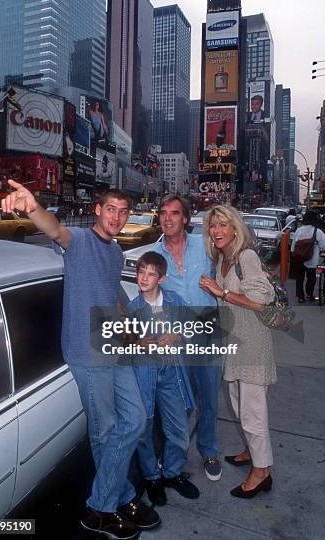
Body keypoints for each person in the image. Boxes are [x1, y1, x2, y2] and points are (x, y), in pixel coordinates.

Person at [2, 180, 160, 540]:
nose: (117, 217)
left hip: (112, 345)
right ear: (97, 211)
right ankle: (105, 507)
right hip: (86, 352)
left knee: (135, 419)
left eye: (123, 212)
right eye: (111, 210)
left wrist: (128, 328)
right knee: (104, 432)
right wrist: (32, 206)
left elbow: (110, 294)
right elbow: (55, 230)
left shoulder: (116, 252)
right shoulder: (81, 241)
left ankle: (110, 498)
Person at [199, 205, 276, 498]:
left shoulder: (247, 257)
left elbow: (259, 301)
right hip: (233, 343)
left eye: (222, 225)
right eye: (213, 226)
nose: (216, 231)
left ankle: (262, 471)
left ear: (235, 229)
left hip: (253, 344)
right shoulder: (223, 259)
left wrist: (222, 293)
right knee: (238, 404)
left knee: (252, 411)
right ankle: (252, 450)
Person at [152, 194, 223, 482]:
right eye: (164, 213)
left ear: (186, 218)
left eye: (175, 213)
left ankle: (208, 450)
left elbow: (228, 269)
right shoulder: (156, 257)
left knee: (209, 400)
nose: (168, 218)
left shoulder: (205, 246)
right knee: (179, 404)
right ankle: (175, 458)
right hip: (177, 342)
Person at [127, 251, 199, 506]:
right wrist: (137, 343)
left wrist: (176, 335)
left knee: (178, 428)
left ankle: (173, 472)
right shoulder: (132, 309)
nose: (144, 278)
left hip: (171, 373)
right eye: (141, 272)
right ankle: (152, 477)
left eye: (151, 274)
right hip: (143, 375)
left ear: (162, 278)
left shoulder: (174, 301)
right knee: (144, 429)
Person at [291, 210, 325, 303]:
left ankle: (301, 297)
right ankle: (309, 294)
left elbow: (293, 247)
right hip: (312, 259)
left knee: (300, 278)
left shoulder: (299, 230)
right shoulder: (317, 231)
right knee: (311, 278)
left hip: (299, 258)